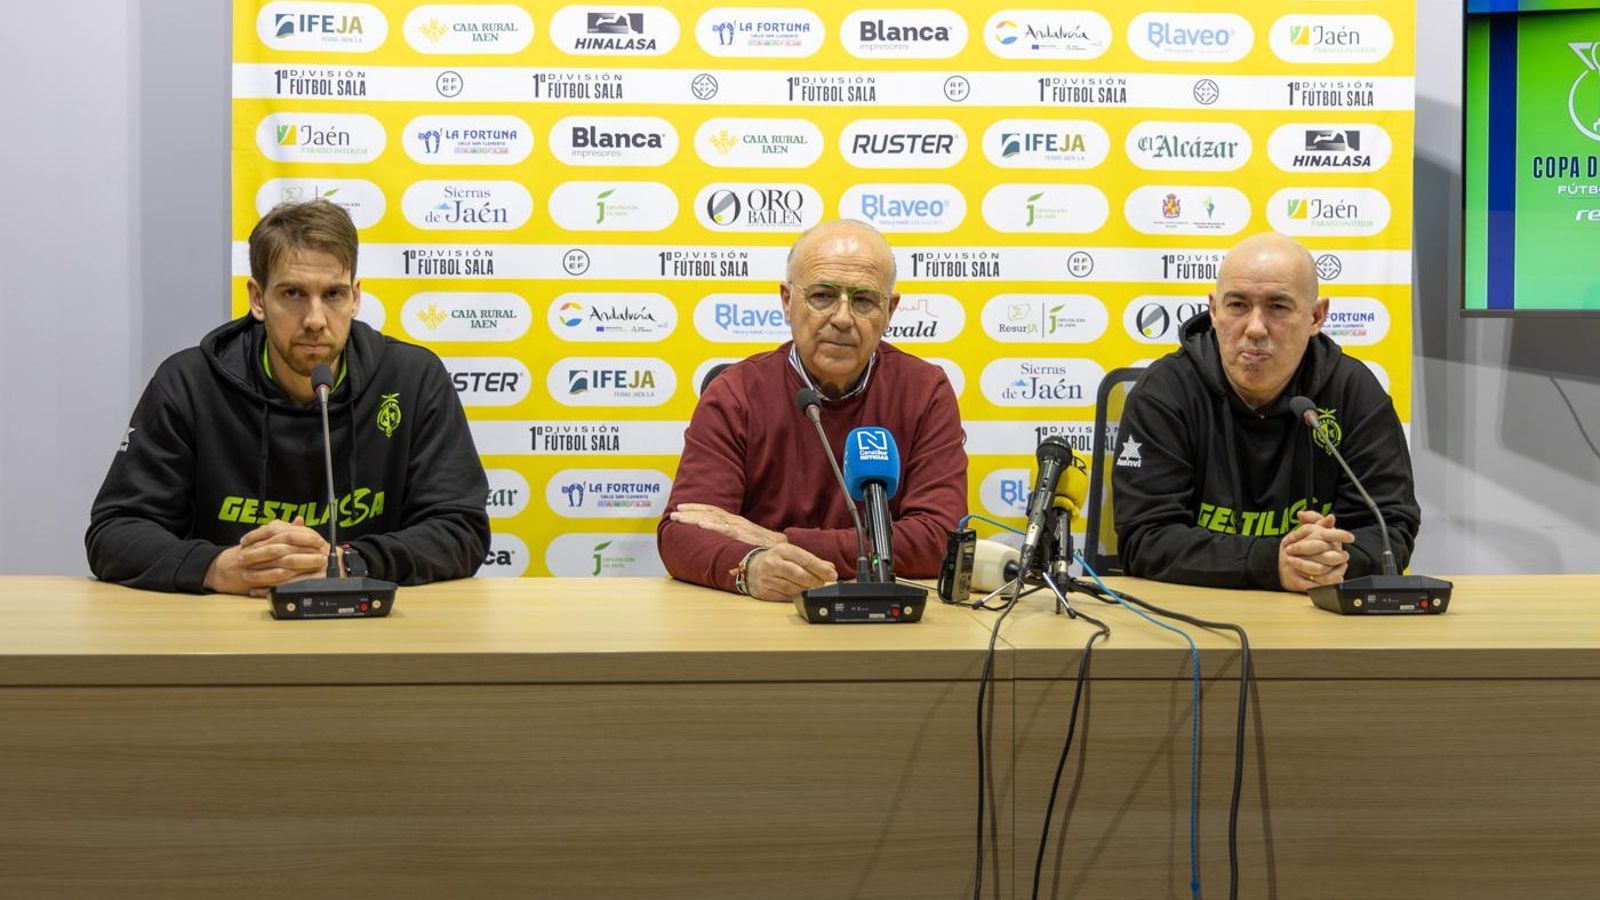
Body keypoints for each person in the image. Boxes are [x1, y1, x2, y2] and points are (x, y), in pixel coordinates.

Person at [86, 199, 490, 594]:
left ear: (356, 297)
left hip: (371, 631)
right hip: (226, 632)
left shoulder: (413, 379)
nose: (315, 320)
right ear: (258, 299)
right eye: (294, 294)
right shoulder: (189, 383)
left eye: (333, 295)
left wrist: (344, 562)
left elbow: (460, 529)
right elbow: (114, 531)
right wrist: (215, 568)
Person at [658, 219, 967, 602]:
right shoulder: (735, 393)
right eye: (822, 295)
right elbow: (684, 530)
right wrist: (751, 566)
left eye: (863, 300)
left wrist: (782, 541)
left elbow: (939, 538)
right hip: (763, 618)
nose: (841, 318)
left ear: (890, 311)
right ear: (787, 301)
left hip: (882, 623)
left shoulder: (924, 390)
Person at [1112, 232, 1419, 592]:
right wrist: (1271, 562)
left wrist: (1331, 559)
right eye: (1238, 305)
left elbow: (1390, 527)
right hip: (1197, 617)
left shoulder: (1354, 393)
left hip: (1320, 620)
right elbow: (1145, 538)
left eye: (1277, 306)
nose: (1255, 328)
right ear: (1213, 310)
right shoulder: (1165, 393)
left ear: (1316, 316)